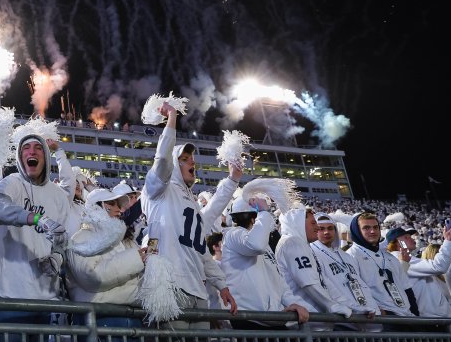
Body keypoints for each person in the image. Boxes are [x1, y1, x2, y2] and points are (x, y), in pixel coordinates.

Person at [140, 102, 238, 330]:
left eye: (191, 158)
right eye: (184, 159)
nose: (191, 161)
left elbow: (201, 250)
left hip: (197, 290)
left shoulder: (191, 202)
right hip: (170, 286)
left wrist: (221, 285)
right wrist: (172, 119)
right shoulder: (158, 190)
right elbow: (162, 161)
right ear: (174, 164)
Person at [0, 133, 74, 339]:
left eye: (38, 147)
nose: (31, 152)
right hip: (11, 296)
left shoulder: (58, 195)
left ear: (45, 156)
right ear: (19, 156)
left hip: (46, 299)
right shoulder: (11, 182)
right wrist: (35, 218)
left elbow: (63, 237)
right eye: (26, 148)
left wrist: (57, 257)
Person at [221, 192, 310, 330]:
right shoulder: (232, 235)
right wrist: (264, 212)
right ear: (254, 219)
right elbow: (255, 245)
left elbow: (279, 280)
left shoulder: (264, 245)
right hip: (249, 320)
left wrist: (293, 303)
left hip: (274, 319)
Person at [65, 188, 145, 337]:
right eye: (112, 203)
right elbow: (94, 278)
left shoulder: (121, 241)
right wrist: (135, 260)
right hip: (100, 321)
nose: (119, 209)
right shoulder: (80, 239)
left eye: (119, 205)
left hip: (129, 319)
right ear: (97, 206)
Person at [275, 207, 352, 329]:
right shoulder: (293, 242)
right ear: (298, 223)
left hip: (314, 322)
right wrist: (332, 306)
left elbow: (324, 282)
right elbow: (308, 282)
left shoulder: (302, 244)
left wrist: (353, 307)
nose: (317, 227)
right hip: (307, 323)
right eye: (313, 223)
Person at [346, 212, 419, 323]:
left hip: (406, 315)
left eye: (376, 227)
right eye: (366, 228)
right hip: (383, 319)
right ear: (357, 231)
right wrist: (377, 310)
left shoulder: (389, 257)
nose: (372, 231)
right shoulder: (350, 256)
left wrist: (416, 315)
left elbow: (406, 288)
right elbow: (354, 289)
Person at [311, 213, 380, 330]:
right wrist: (354, 308)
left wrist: (375, 308)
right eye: (321, 229)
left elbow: (362, 284)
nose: (327, 232)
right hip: (341, 321)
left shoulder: (346, 256)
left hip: (364, 318)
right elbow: (328, 288)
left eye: (330, 228)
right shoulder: (312, 254)